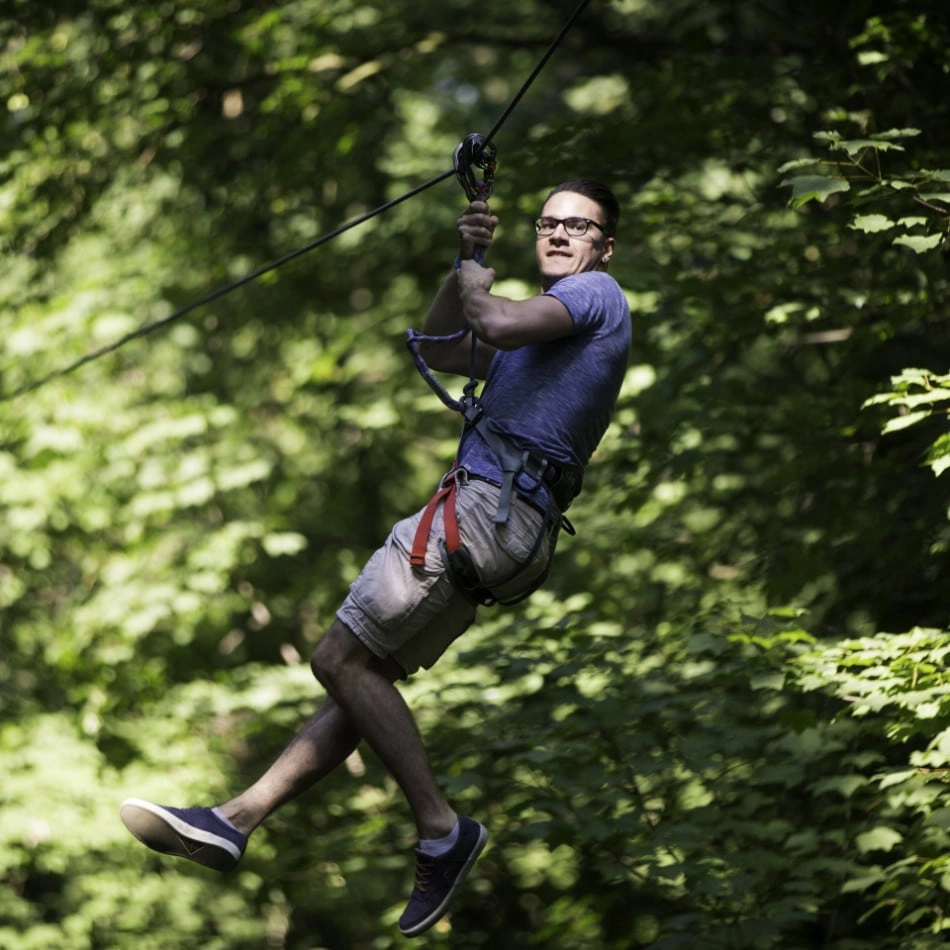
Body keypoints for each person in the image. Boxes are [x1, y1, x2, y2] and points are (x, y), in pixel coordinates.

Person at [119, 179, 631, 938]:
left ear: (603, 244)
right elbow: (441, 345)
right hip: (506, 529)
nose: (558, 234)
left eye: (576, 226)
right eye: (548, 222)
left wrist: (478, 282)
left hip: (486, 513)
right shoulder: (546, 332)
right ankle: (237, 818)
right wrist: (463, 261)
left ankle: (440, 829)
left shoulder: (595, 296)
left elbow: (490, 315)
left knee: (339, 659)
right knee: (365, 680)